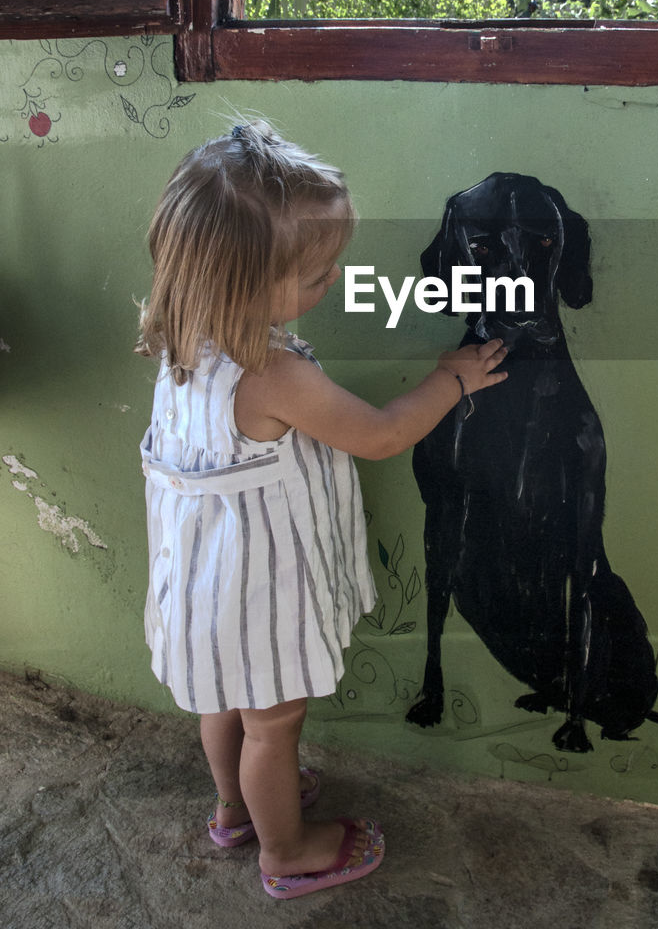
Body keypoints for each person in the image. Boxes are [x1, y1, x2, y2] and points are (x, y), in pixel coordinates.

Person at [136, 120, 508, 900]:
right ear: (240, 285)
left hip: (202, 591)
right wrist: (453, 379)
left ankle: (233, 810)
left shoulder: (181, 343)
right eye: (314, 277)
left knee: (225, 705)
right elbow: (378, 436)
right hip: (257, 599)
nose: (331, 283)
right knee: (273, 727)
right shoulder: (268, 372)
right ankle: (286, 852)